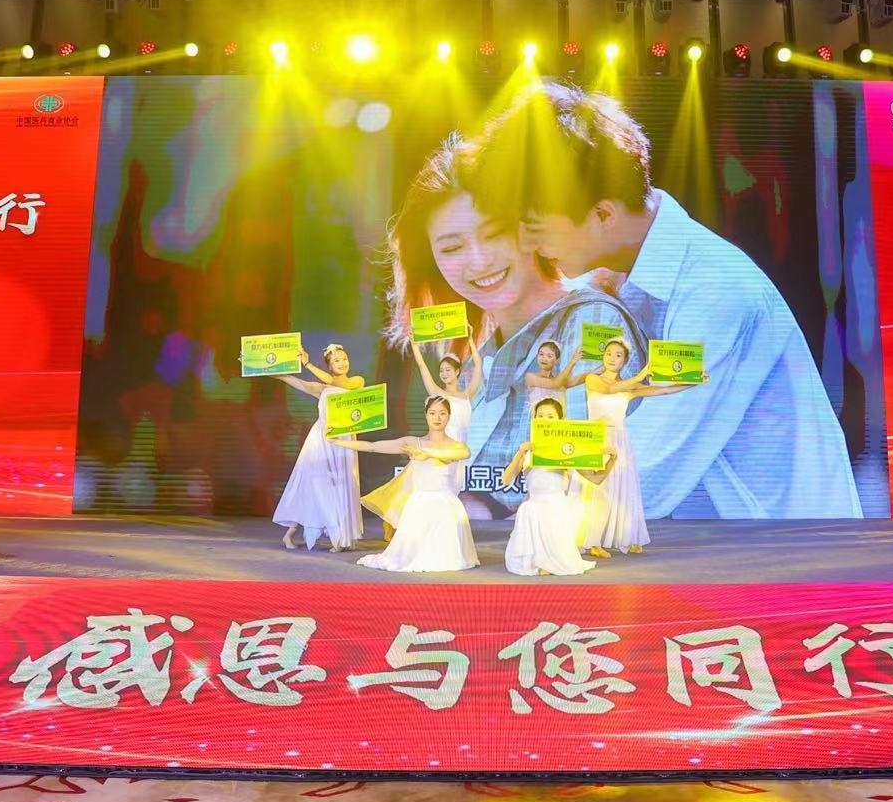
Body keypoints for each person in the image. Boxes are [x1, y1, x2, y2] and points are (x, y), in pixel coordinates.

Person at [464, 81, 862, 521]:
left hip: (784, 549)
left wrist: (509, 508)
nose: (526, 244)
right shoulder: (602, 281)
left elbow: (646, 472)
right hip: (698, 542)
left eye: (536, 228)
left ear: (602, 214)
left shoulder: (715, 292)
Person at [382, 136, 644, 505]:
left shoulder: (591, 319)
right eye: (452, 247)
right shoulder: (479, 356)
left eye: (495, 234)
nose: (479, 262)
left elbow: (577, 472)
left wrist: (476, 506)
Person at [337, 396, 478, 573]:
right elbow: (372, 446)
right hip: (419, 503)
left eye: (442, 413)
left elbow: (464, 454)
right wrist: (338, 441)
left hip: (445, 504)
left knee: (448, 559)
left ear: (449, 417)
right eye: (432, 413)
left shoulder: (456, 445)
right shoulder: (413, 443)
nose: (437, 418)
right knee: (407, 555)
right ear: (426, 415)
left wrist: (426, 453)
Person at [582, 338, 696, 555]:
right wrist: (641, 375)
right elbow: (610, 389)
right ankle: (594, 542)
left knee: (623, 488)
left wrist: (694, 380)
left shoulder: (630, 386)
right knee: (599, 489)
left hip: (619, 439)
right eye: (608, 353)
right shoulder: (592, 379)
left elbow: (664, 391)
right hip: (596, 439)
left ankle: (627, 535)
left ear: (624, 361)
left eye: (618, 355)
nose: (612, 358)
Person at [269, 343, 364, 552]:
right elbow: (292, 380)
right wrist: (260, 365)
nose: (342, 363)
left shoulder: (356, 382)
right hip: (321, 440)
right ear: (329, 365)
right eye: (336, 360)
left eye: (344, 358)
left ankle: (340, 537)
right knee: (313, 484)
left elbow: (335, 382)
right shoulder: (322, 388)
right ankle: (291, 534)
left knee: (341, 484)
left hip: (344, 440)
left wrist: (307, 363)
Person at [501, 398, 612, 576]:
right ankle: (537, 563)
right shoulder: (528, 450)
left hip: (557, 509)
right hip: (533, 509)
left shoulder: (568, 449)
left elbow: (596, 478)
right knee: (521, 561)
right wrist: (520, 453)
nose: (544, 419)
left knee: (562, 560)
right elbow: (506, 479)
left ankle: (550, 562)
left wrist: (612, 459)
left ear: (560, 420)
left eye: (550, 416)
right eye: (540, 416)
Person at [411, 339, 481, 491]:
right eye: (441, 371)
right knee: (441, 484)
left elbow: (478, 366)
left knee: (454, 487)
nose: (444, 374)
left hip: (460, 446)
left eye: (448, 370)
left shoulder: (467, 394)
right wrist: (414, 345)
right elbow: (422, 366)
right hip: (442, 444)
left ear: (457, 371)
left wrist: (470, 341)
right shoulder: (438, 394)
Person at [522, 339, 588, 414]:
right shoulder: (530, 377)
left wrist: (599, 369)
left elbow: (583, 377)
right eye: (541, 354)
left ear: (556, 360)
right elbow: (555, 384)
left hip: (558, 421)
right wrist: (573, 361)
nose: (543, 358)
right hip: (539, 421)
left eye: (549, 356)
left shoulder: (561, 382)